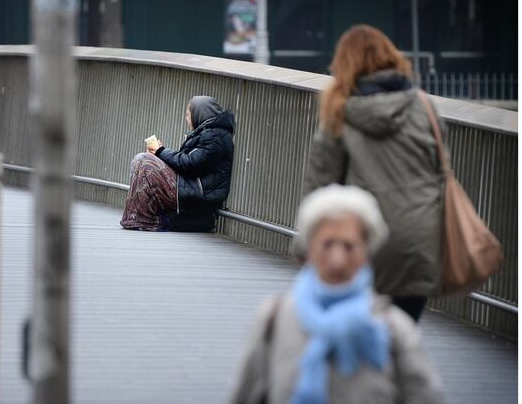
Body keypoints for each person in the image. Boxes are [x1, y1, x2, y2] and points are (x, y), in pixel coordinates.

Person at [231, 185, 445, 404]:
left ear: (368, 252)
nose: (338, 260)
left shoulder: (393, 329)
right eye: (327, 244)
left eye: (350, 246)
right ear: (310, 249)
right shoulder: (274, 320)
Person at [303, 25, 445, 322]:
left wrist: (306, 247)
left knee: (357, 336)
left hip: (364, 242)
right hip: (419, 240)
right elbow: (438, 170)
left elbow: (322, 186)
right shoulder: (424, 106)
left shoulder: (340, 110)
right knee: (403, 333)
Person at [120, 95, 235, 232]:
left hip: (198, 193)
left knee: (145, 162)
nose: (187, 119)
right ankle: (138, 218)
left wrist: (161, 151)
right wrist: (160, 153)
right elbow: (190, 161)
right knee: (142, 160)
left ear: (199, 114)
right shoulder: (209, 132)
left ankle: (143, 219)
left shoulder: (215, 136)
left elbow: (191, 165)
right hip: (190, 186)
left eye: (188, 115)